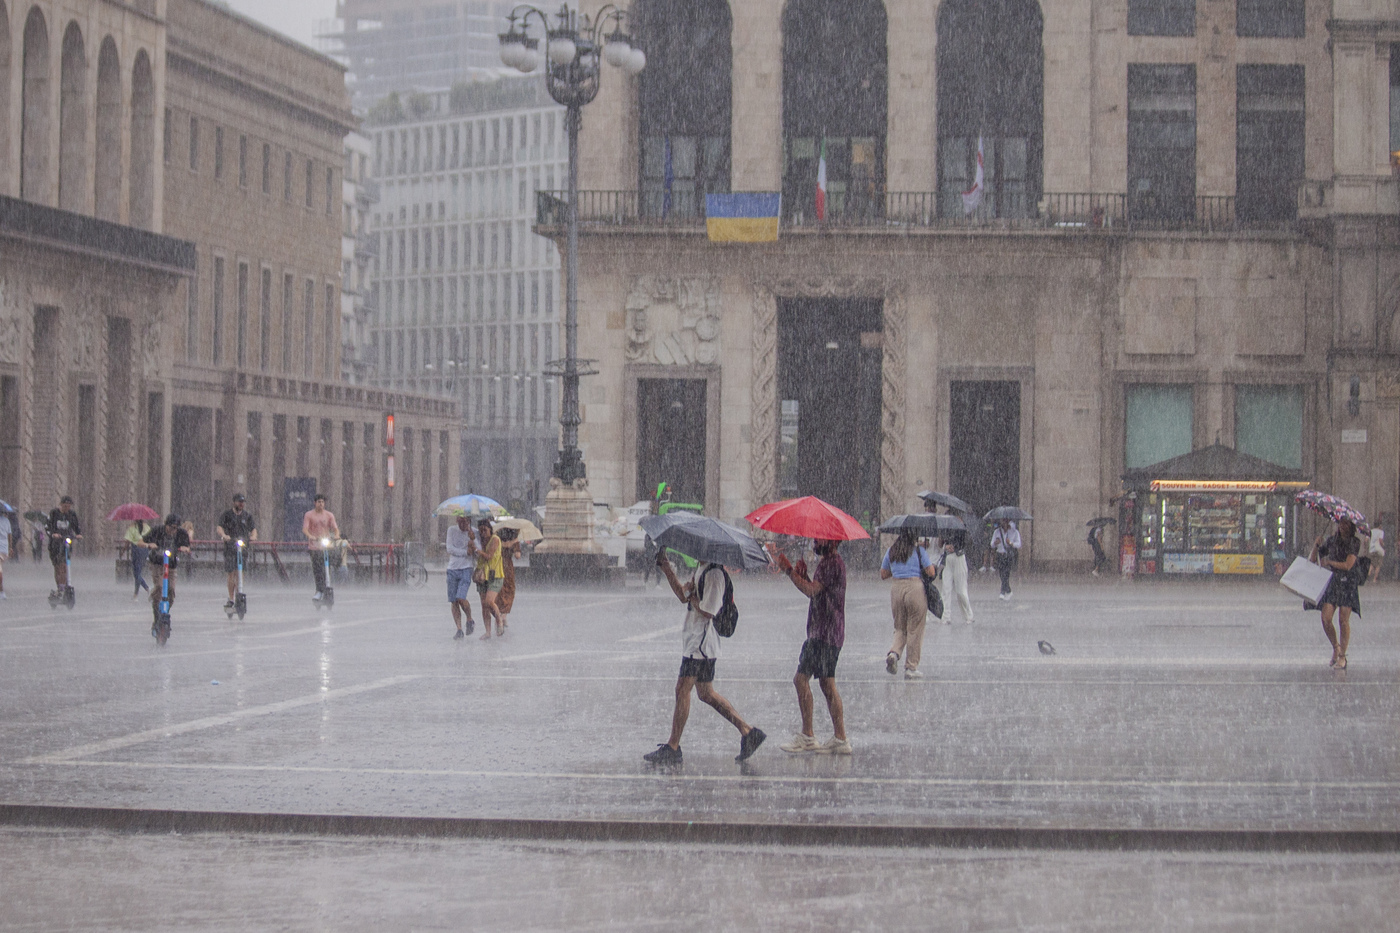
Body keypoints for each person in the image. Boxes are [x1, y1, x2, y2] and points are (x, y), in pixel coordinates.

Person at [643, 552, 766, 765]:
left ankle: (673, 746)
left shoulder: (715, 574)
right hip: (697, 641)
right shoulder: (702, 569)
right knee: (706, 694)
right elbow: (683, 596)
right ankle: (748, 731)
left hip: (702, 644)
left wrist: (692, 597)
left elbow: (709, 610)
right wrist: (666, 568)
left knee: (683, 690)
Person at [776, 539, 851, 755]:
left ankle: (808, 735)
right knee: (827, 685)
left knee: (801, 680)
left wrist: (790, 571)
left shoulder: (830, 564)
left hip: (822, 633)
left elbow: (811, 592)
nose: (815, 542)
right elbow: (819, 591)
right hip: (831, 632)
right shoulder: (833, 563)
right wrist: (804, 576)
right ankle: (840, 737)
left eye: (820, 539)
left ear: (833, 541)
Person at [880, 529, 936, 679]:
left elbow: (883, 574)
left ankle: (894, 653)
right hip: (915, 588)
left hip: (896, 589)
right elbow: (930, 572)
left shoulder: (891, 551)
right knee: (915, 629)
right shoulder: (919, 551)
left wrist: (899, 570)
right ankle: (911, 667)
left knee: (899, 627)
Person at [1310, 518, 1362, 670]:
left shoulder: (1354, 542)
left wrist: (1330, 563)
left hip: (1348, 583)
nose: (1342, 526)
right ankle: (1336, 647)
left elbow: (1348, 565)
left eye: (1346, 524)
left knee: (1343, 620)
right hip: (1334, 582)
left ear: (1351, 527)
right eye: (1341, 523)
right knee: (1326, 618)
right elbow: (1314, 559)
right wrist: (1316, 545)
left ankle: (1342, 656)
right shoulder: (1332, 540)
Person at [143, 514, 192, 627]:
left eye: (175, 528)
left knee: (171, 590)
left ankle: (165, 612)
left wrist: (185, 548)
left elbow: (187, 546)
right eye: (171, 527)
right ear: (166, 525)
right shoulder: (157, 530)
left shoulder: (181, 533)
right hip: (157, 563)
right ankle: (156, 613)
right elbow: (141, 541)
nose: (173, 530)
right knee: (160, 587)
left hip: (171, 565)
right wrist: (149, 545)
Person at [216, 493, 258, 609]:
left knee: (241, 572)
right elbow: (219, 527)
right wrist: (224, 535)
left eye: (243, 502)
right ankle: (231, 598)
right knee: (231, 573)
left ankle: (239, 592)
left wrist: (253, 536)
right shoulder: (227, 515)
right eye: (239, 502)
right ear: (234, 502)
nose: (241, 504)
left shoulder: (247, 516)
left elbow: (253, 529)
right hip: (230, 547)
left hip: (243, 547)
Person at [445, 513, 477, 639]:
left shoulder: (474, 532)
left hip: (466, 568)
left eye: (465, 522)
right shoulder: (451, 530)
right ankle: (459, 629)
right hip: (452, 568)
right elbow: (450, 548)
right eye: (460, 522)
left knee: (461, 597)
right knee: (453, 600)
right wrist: (465, 552)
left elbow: (478, 549)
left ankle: (469, 619)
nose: (462, 525)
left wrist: (473, 541)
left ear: (469, 521)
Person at [302, 494, 340, 600]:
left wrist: (336, 535)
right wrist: (311, 536)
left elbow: (335, 528)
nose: (321, 504)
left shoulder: (329, 515)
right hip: (314, 546)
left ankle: (327, 587)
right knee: (317, 569)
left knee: (326, 567)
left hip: (326, 546)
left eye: (322, 502)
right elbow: (305, 529)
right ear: (315, 503)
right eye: (319, 502)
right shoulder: (309, 515)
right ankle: (319, 590)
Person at [45, 495, 82, 594]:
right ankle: (59, 587)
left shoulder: (72, 515)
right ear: (61, 505)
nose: (67, 508)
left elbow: (76, 526)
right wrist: (53, 534)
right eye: (65, 506)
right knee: (57, 567)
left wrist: (78, 534)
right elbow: (48, 526)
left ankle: (65, 585)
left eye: (69, 506)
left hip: (67, 543)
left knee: (64, 565)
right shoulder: (54, 513)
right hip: (55, 544)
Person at [475, 518, 504, 638]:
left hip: (495, 574)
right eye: (480, 530)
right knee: (484, 605)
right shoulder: (478, 540)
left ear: (490, 529)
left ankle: (499, 620)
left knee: (489, 601)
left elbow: (489, 556)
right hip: (482, 575)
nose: (483, 532)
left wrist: (478, 550)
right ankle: (487, 631)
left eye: (485, 530)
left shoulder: (495, 539)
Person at [497, 527, 521, 631]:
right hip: (507, 566)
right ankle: (503, 615)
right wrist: (514, 543)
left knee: (500, 590)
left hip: (497, 565)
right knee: (509, 590)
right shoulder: (515, 540)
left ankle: (499, 613)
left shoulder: (496, 538)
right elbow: (518, 556)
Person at [990, 519, 1021, 600]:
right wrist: (995, 543)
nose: (1004, 524)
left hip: (1008, 555)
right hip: (1000, 555)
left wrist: (1010, 543)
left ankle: (1002, 592)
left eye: (1006, 522)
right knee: (1001, 574)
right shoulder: (997, 532)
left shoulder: (1014, 532)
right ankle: (1009, 591)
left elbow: (1019, 544)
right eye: (1003, 522)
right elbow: (992, 544)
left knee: (1006, 574)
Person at [124, 520, 151, 598]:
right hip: (145, 550)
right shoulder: (147, 527)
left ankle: (139, 592)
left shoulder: (131, 528)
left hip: (136, 550)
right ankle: (144, 589)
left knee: (136, 573)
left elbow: (127, 541)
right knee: (138, 572)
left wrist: (123, 550)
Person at [1367, 518, 1385, 583]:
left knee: (1371, 564)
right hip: (1378, 550)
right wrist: (1383, 545)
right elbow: (1380, 541)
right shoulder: (1381, 532)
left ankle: (1368, 575)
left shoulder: (1370, 531)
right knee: (1378, 565)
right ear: (1379, 525)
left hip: (1371, 550)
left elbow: (1366, 540)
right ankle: (1374, 579)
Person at [0, 509, 10, 599]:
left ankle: (2, 591)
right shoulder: (6, 521)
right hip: (4, 548)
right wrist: (10, 547)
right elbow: (9, 534)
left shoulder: (6, 521)